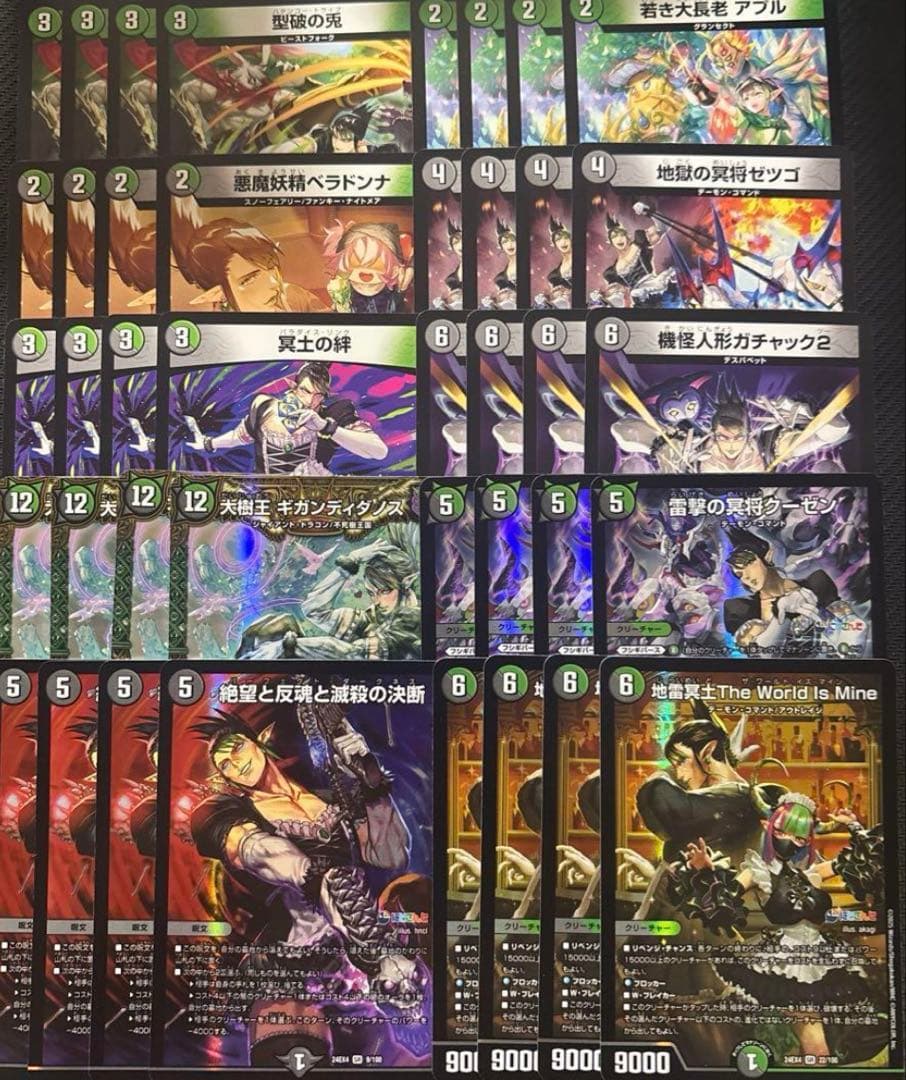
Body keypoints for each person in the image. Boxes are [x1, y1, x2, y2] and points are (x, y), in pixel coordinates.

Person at [185, 361, 388, 475]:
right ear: (294, 387)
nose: (310, 401)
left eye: (318, 395)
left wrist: (327, 427)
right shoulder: (264, 406)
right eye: (305, 391)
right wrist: (208, 443)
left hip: (309, 502)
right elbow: (241, 436)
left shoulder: (333, 414)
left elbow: (379, 451)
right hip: (266, 499)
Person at [170, 194, 328, 313]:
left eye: (271, 266)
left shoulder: (291, 295)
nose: (273, 282)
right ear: (219, 293)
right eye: (250, 279)